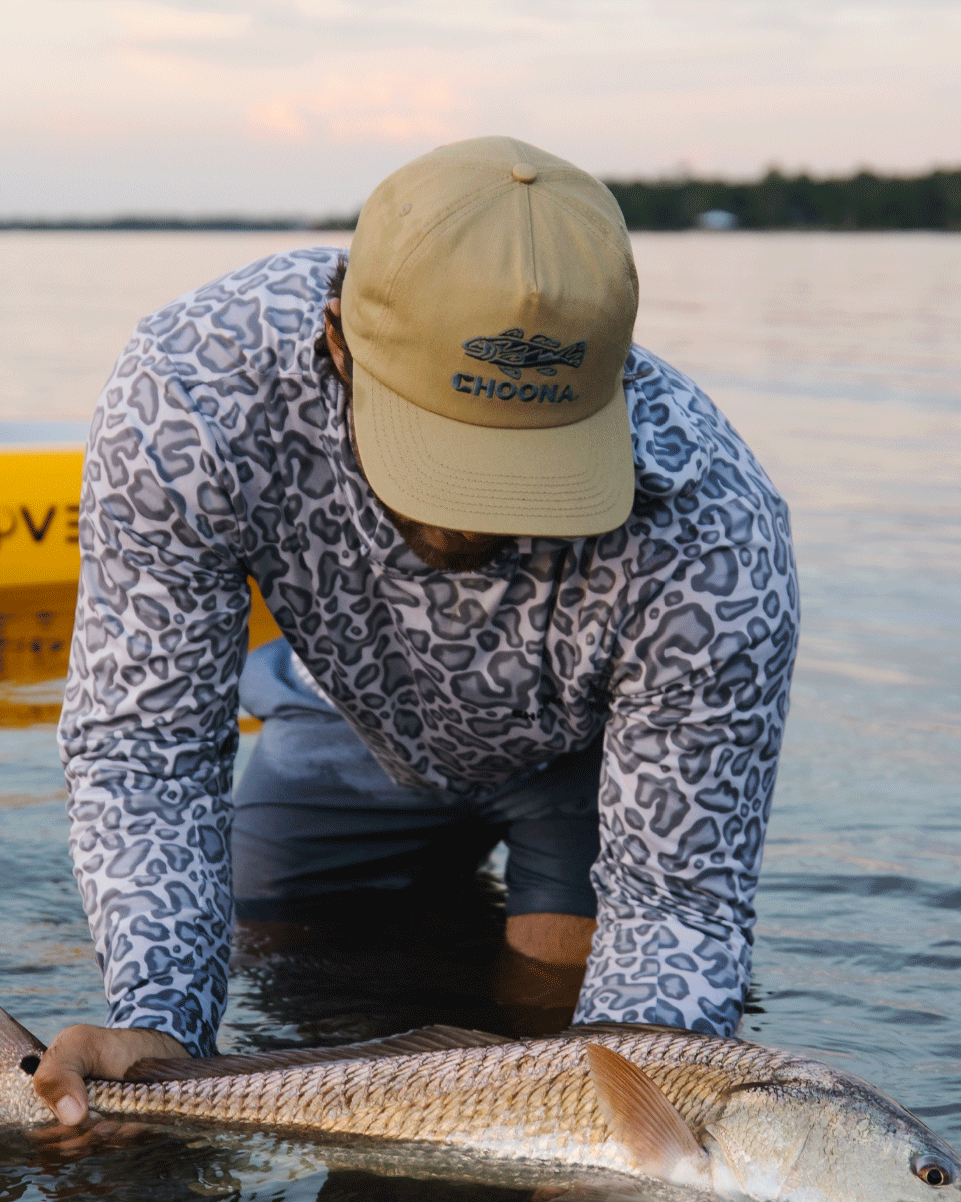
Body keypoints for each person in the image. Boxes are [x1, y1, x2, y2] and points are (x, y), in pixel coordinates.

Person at [35, 136, 798, 1127]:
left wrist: (626, 1141)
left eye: (525, 462)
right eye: (440, 446)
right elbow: (148, 747)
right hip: (338, 706)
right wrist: (161, 1028)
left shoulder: (714, 536)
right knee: (277, 954)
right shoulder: (194, 391)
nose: (474, 519)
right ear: (337, 341)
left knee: (554, 999)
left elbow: (676, 909)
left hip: (587, 757)